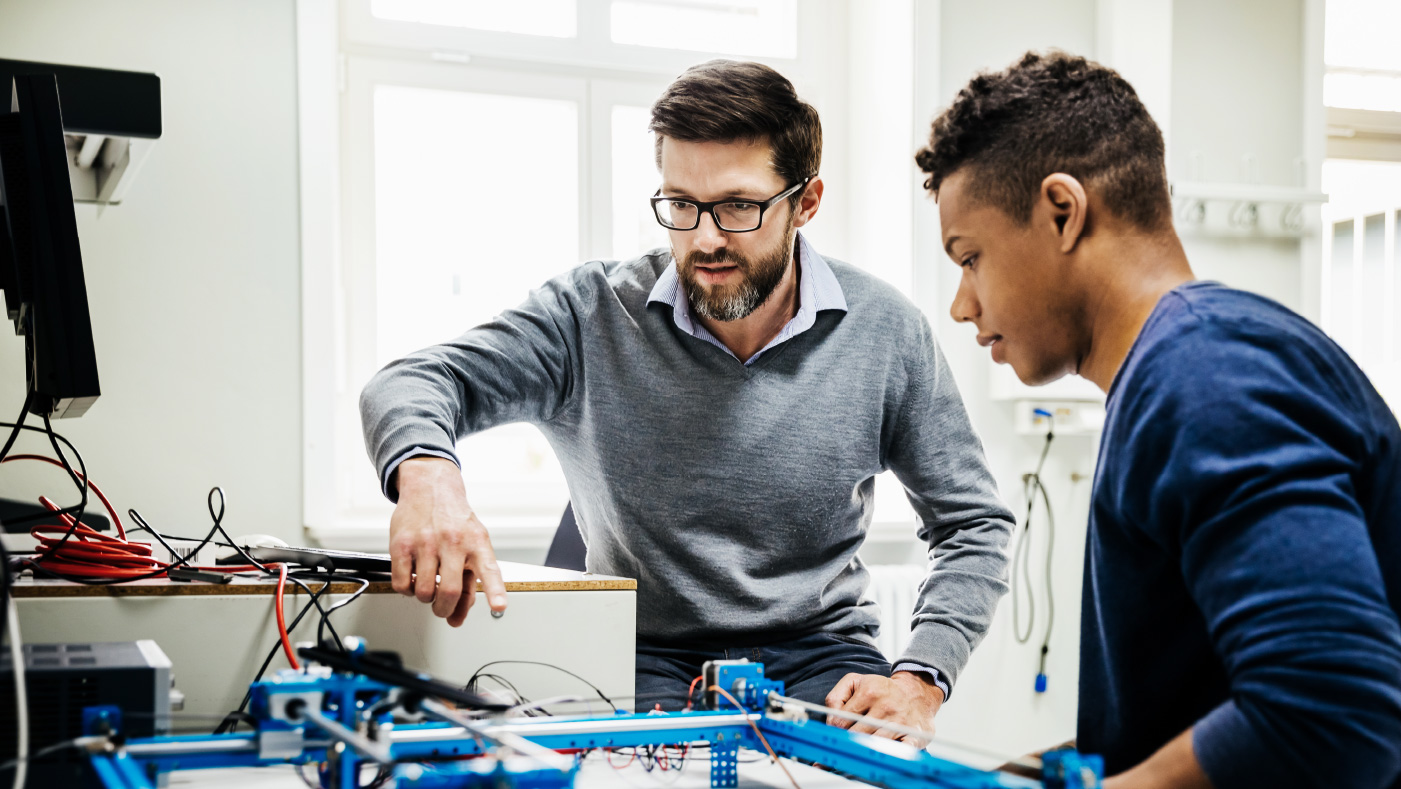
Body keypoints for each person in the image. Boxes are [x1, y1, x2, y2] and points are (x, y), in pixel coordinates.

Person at [360, 59, 1015, 738]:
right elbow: (410, 382)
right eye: (680, 204)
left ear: (806, 201)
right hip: (639, 655)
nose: (703, 239)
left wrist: (920, 676)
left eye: (737, 206)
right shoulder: (588, 315)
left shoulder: (885, 330)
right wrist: (429, 477)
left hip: (822, 657)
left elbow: (973, 524)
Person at [916, 50, 1401, 788]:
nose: (961, 304)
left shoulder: (1205, 372)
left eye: (969, 256)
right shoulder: (1177, 369)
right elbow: (1188, 704)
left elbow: (1329, 708)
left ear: (1061, 211)